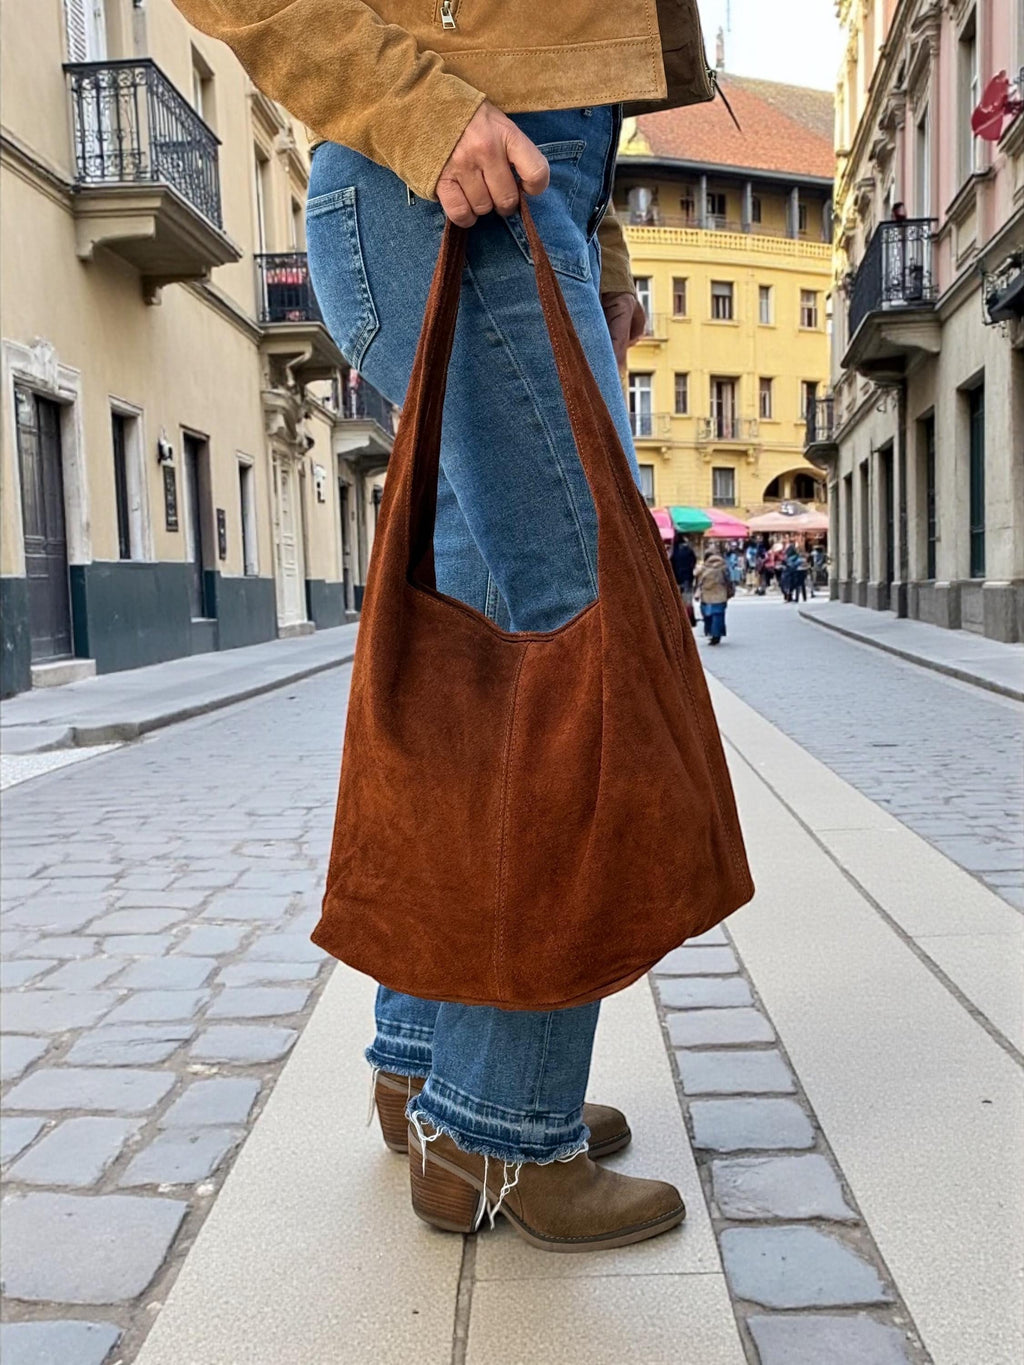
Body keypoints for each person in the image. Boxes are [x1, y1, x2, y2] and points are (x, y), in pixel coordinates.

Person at [173, 0, 715, 1252]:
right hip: (448, 182)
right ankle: (501, 1127)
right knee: (577, 655)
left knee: (489, 667)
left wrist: (600, 249)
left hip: (516, 186)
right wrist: (423, 112)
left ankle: (425, 1067)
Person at [696, 550, 732, 644]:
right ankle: (717, 634)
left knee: (708, 615)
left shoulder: (703, 568)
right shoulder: (724, 567)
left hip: (707, 595)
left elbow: (698, 581)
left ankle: (710, 632)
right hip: (720, 594)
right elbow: (728, 581)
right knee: (719, 615)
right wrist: (730, 592)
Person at [671, 533, 697, 626]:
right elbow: (694, 561)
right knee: (688, 600)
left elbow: (671, 564)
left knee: (678, 601)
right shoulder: (688, 549)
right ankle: (690, 619)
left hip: (677, 579)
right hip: (688, 578)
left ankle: (680, 619)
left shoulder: (674, 550)